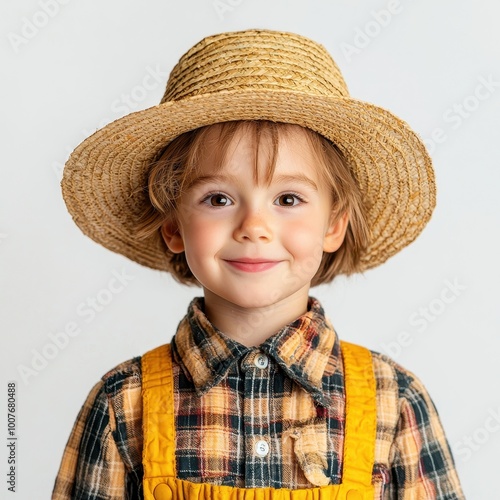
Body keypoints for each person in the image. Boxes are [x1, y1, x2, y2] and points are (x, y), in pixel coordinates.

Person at [52, 29, 465, 499]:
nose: (254, 226)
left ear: (334, 225)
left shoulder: (396, 400)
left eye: (288, 198)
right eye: (219, 198)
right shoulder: (123, 403)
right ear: (173, 227)